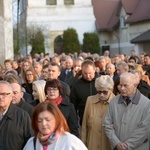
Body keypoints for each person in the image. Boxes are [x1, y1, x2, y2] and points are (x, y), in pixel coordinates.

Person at [104, 72, 150, 150]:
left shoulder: (146, 104)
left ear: (135, 85)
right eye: (120, 85)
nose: (122, 88)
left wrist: (127, 145)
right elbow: (107, 125)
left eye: (125, 85)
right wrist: (117, 143)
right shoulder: (114, 101)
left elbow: (144, 129)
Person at [23, 101, 87, 150]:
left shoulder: (70, 141)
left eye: (47, 120)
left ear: (57, 120)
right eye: (39, 121)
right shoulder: (31, 142)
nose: (43, 124)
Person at [82, 75, 115, 150]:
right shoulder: (90, 100)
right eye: (99, 92)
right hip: (92, 144)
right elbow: (84, 126)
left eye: (105, 92)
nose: (102, 95)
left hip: (108, 146)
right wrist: (83, 146)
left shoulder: (116, 103)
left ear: (111, 89)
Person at [0, 81, 33, 150]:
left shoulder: (22, 116)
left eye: (4, 94)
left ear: (11, 96)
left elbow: (30, 141)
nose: (0, 97)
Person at [70, 59, 99, 125]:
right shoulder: (77, 85)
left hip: (101, 119)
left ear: (94, 70)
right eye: (85, 73)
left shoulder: (102, 81)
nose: (88, 76)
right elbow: (73, 105)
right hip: (84, 120)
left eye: (90, 73)